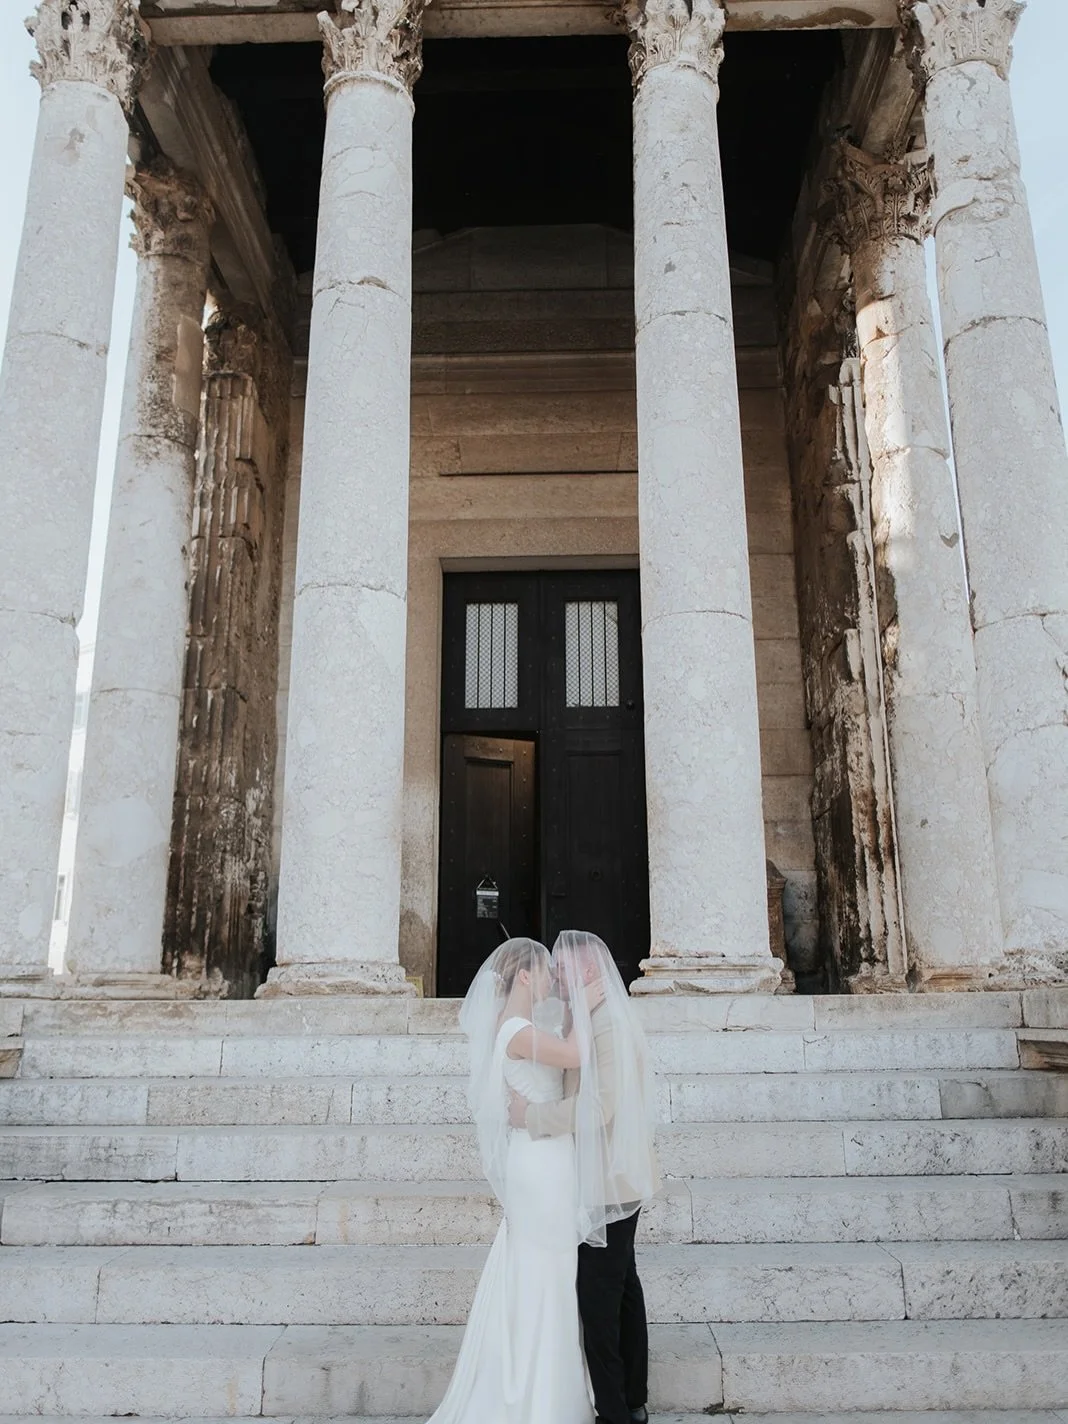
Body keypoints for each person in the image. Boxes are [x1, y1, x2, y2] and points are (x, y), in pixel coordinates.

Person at [427, 936, 602, 1424]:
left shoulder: (524, 1025)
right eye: (546, 970)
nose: (553, 979)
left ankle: (549, 1388)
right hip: (540, 1162)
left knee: (552, 1270)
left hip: (550, 1156)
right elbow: (574, 1056)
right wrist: (588, 1002)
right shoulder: (515, 1029)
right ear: (525, 975)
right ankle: (534, 1397)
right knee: (544, 1270)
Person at [510, 930, 661, 1424]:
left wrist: (532, 1117)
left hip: (609, 1181)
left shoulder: (607, 1024)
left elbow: (600, 1107)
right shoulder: (589, 1018)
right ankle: (632, 1398)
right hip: (606, 1177)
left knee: (598, 1299)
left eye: (563, 969)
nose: (555, 977)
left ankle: (615, 1411)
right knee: (622, 1287)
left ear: (590, 972)